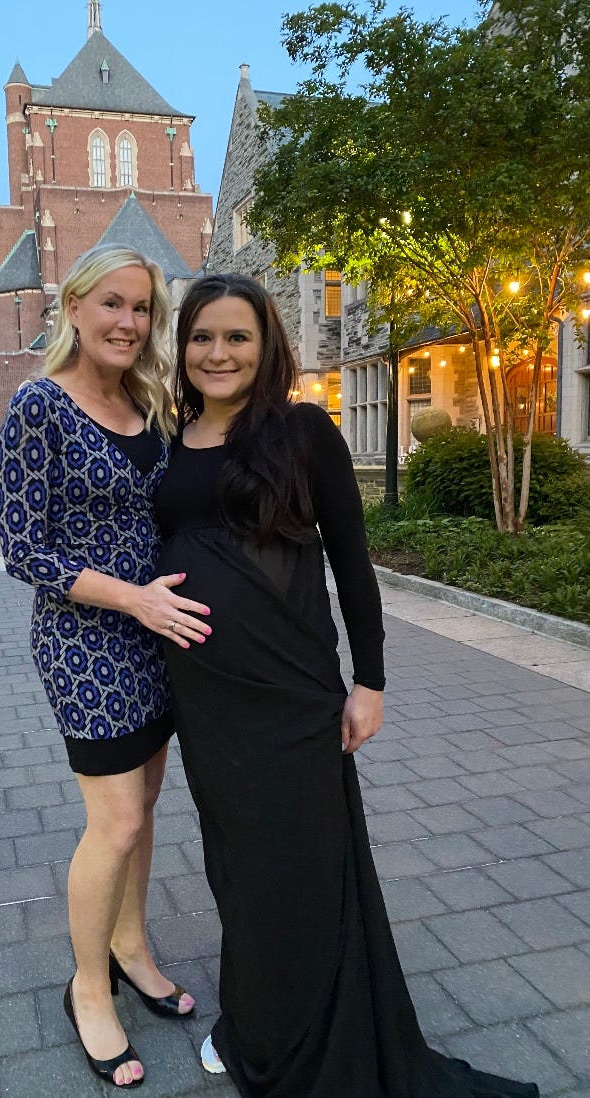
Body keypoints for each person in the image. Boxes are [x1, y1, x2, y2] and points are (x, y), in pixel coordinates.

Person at [154, 274, 539, 1098]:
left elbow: (350, 560)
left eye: (237, 337)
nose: (218, 353)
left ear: (267, 347)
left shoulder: (302, 430)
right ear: (181, 348)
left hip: (291, 689)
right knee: (236, 860)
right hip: (204, 695)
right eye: (202, 338)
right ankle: (256, 1017)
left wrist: (371, 682)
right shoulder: (170, 435)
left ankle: (309, 1025)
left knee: (298, 858)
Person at [0, 244, 212, 1088]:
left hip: (158, 636)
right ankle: (88, 987)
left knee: (148, 805)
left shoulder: (150, 402)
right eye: (114, 304)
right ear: (76, 308)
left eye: (144, 309)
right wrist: (133, 600)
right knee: (115, 820)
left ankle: (131, 946)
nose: (129, 322)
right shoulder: (37, 407)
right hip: (88, 640)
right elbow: (23, 549)